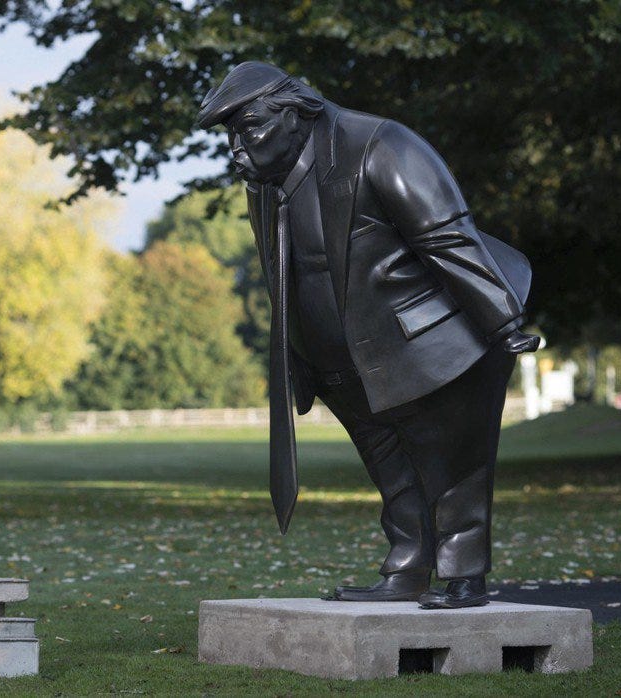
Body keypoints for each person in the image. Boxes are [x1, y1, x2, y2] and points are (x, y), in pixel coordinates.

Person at [197, 62, 540, 609]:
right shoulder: (265, 178)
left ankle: (464, 575)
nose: (238, 149)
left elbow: (447, 236)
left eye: (250, 128)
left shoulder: (382, 146)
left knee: (454, 462)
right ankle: (409, 565)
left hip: (430, 340)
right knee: (391, 468)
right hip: (342, 359)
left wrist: (502, 321)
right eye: (231, 136)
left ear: (294, 113)